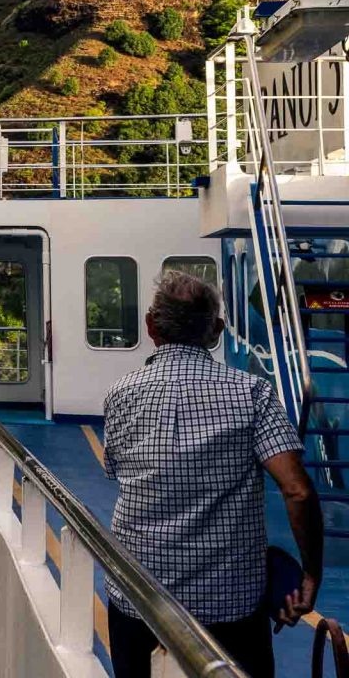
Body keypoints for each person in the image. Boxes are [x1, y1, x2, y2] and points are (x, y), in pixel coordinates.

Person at [102, 270, 323, 678]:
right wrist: (310, 575)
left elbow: (116, 470)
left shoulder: (120, 394)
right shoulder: (253, 393)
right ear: (217, 330)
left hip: (140, 599)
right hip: (230, 608)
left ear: (150, 327)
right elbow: (297, 491)